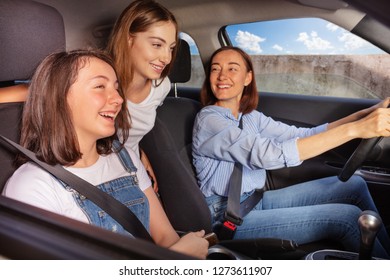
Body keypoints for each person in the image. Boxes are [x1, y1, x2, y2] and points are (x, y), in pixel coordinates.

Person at [2, 49, 208, 259]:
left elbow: (165, 237)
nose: (118, 99)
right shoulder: (32, 185)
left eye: (117, 88)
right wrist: (173, 262)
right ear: (58, 99)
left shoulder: (125, 157)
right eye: (100, 86)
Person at [192, 46, 390, 258]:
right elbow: (267, 154)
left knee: (355, 184)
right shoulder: (209, 120)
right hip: (227, 215)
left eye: (232, 69)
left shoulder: (249, 117)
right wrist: (354, 130)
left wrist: (363, 115)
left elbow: (304, 134)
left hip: (255, 199)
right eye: (215, 69)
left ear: (248, 78)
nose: (222, 76)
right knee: (348, 218)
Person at [106, 0, 178, 192]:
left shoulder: (161, 86)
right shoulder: (97, 77)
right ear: (129, 40)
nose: (167, 58)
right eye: (156, 44)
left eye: (171, 48)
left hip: (131, 167)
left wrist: (140, 156)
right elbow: (44, 89)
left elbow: (131, 134)